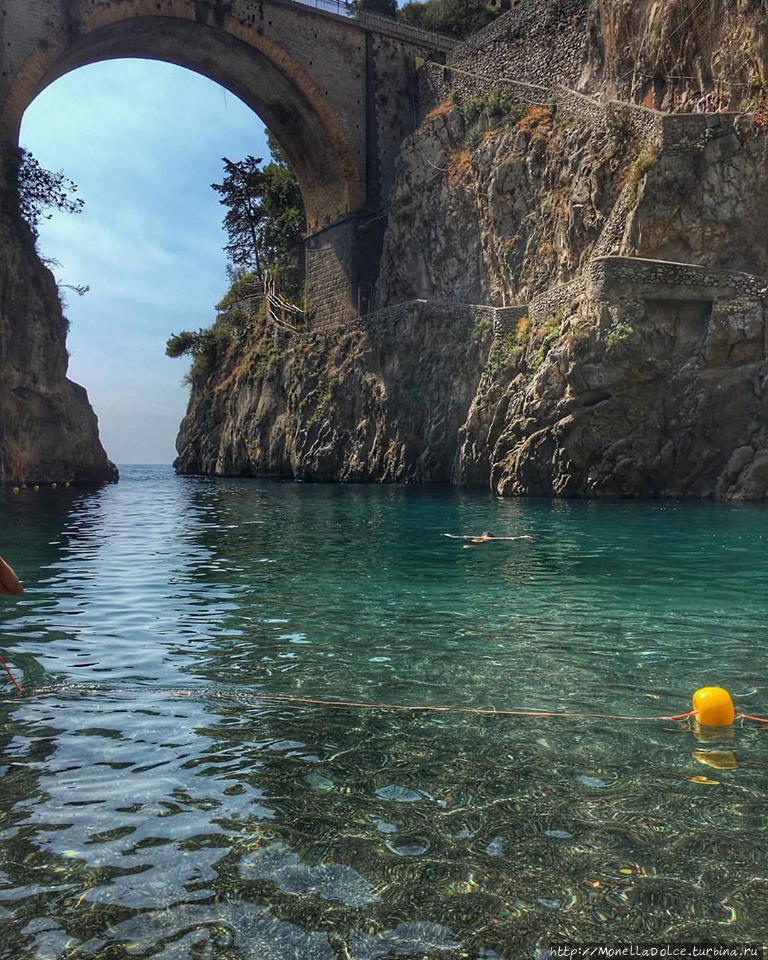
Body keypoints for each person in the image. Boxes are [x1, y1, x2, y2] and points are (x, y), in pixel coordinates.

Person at [443, 531, 533, 545]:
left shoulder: (476, 536)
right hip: (478, 544)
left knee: (467, 543)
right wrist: (522, 537)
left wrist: (450, 536)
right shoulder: (490, 539)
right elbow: (510, 539)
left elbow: (459, 537)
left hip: (473, 541)